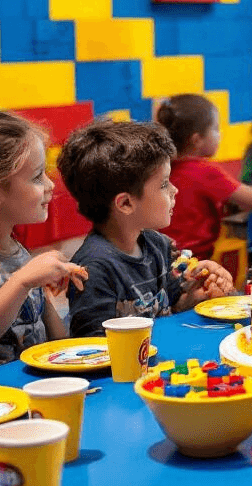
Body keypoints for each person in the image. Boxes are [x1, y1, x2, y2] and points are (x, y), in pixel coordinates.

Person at [57, 120, 233, 338]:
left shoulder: (156, 244)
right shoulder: (94, 269)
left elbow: (170, 307)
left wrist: (201, 295)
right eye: (164, 184)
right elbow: (92, 349)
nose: (174, 190)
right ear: (125, 204)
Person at [0, 104, 87, 366]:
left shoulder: (17, 251)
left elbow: (57, 339)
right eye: (37, 177)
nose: (50, 185)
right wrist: (24, 280)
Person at [157, 94, 252, 259]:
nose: (219, 135)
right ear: (196, 140)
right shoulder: (205, 171)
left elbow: (244, 194)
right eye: (216, 129)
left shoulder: (165, 166)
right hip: (193, 259)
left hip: (164, 255)